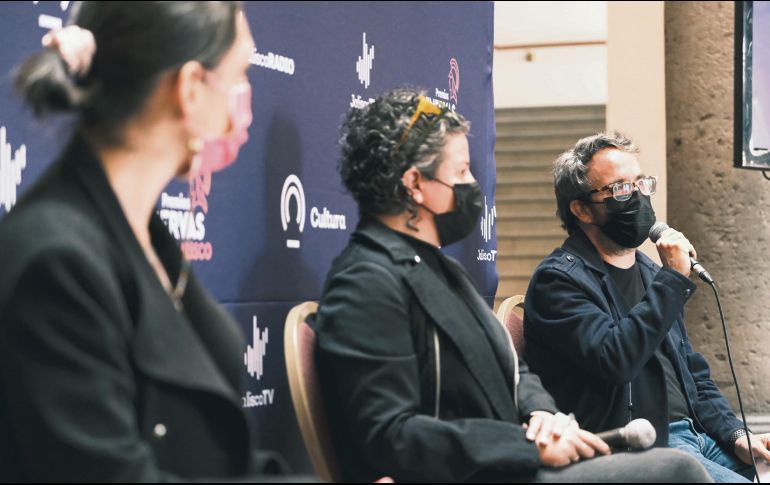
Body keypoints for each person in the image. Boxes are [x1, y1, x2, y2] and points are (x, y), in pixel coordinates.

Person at [314, 90, 712, 482]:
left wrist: (543, 413)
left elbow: (511, 369)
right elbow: (391, 435)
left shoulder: (437, 267)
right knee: (677, 469)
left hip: (513, 461)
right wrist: (524, 446)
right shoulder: (364, 282)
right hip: (483, 472)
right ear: (415, 184)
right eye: (462, 173)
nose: (474, 185)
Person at [0, 2, 290, 481]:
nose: (244, 98)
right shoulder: (55, 262)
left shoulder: (146, 240)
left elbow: (216, 464)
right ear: (190, 89)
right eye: (240, 75)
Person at [523, 131, 770, 482]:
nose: (637, 196)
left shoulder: (650, 272)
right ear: (581, 209)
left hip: (700, 436)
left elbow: (694, 375)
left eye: (641, 184)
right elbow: (615, 360)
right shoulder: (558, 281)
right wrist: (672, 282)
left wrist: (735, 434)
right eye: (620, 189)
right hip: (643, 442)